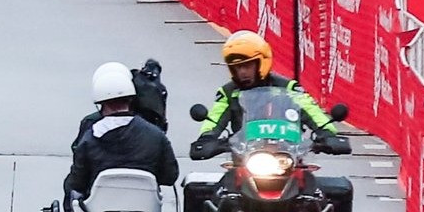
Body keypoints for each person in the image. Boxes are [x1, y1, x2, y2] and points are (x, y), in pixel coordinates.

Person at [190, 31, 350, 159]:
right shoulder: (228, 93)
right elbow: (213, 121)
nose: (243, 72)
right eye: (237, 67)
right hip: (244, 160)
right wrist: (208, 139)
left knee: (326, 193)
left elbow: (314, 113)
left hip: (288, 157)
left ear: (261, 62)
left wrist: (328, 134)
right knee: (213, 192)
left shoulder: (290, 89)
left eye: (247, 66)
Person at [64, 62, 179, 210]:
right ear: (131, 99)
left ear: (100, 103)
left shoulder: (89, 139)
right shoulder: (156, 135)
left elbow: (77, 183)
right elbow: (170, 176)